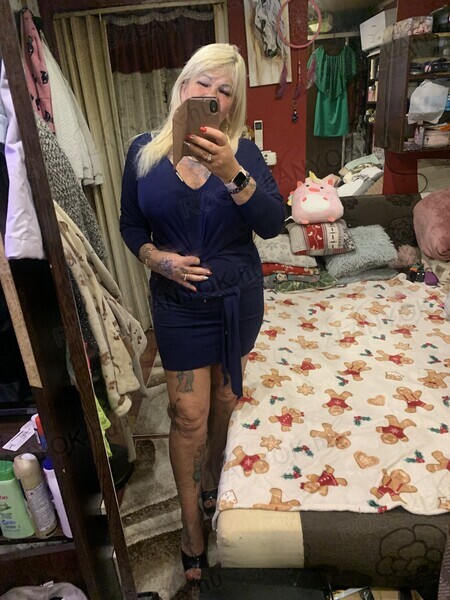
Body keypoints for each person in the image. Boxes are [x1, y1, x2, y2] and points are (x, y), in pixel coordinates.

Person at [120, 43, 285, 582]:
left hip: (238, 300)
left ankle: (214, 477)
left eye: (224, 90)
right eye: (203, 83)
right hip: (177, 307)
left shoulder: (244, 154)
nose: (211, 94)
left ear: (233, 104)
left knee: (225, 399)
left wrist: (232, 171)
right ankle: (192, 526)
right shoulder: (143, 153)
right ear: (183, 85)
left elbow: (273, 224)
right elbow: (130, 226)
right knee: (187, 413)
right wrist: (157, 259)